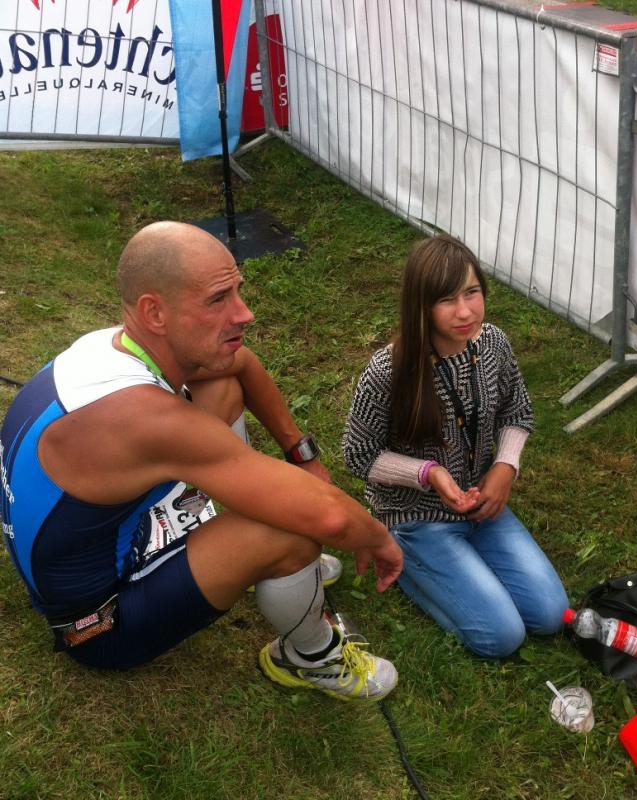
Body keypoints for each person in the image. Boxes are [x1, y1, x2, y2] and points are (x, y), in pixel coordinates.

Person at [0, 220, 402, 702]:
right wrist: (378, 538)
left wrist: (300, 453)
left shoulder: (109, 347)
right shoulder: (144, 418)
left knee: (221, 384)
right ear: (155, 312)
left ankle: (249, 556)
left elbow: (242, 365)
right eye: (218, 299)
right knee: (292, 532)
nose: (245, 313)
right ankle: (309, 657)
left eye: (238, 291)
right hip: (97, 624)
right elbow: (331, 517)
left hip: (99, 540)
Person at [342, 234, 567, 658]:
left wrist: (505, 467)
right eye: (447, 300)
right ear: (421, 306)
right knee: (501, 637)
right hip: (417, 515)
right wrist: (429, 474)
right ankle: (405, 558)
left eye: (472, 292)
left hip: (482, 505)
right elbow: (358, 453)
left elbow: (516, 409)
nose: (465, 312)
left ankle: (463, 567)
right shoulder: (389, 371)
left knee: (551, 615)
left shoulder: (493, 344)